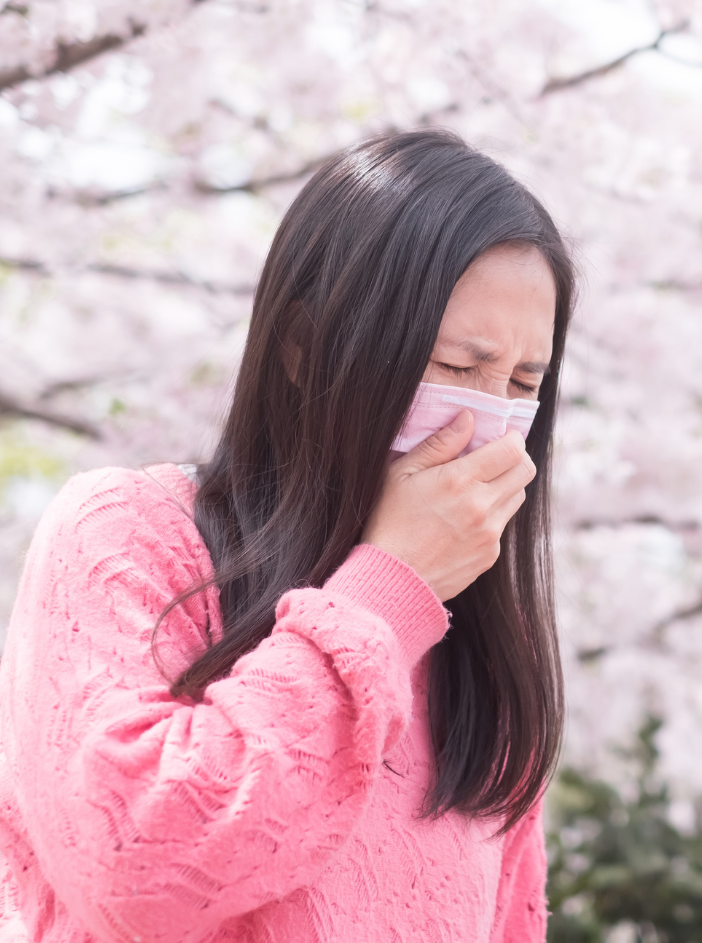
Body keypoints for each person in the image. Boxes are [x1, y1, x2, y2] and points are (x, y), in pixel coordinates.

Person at [0, 129, 576, 942]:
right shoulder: (129, 537)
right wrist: (388, 586)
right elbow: (139, 868)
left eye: (523, 383)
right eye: (454, 367)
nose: (490, 418)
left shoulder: (483, 666)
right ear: (305, 348)